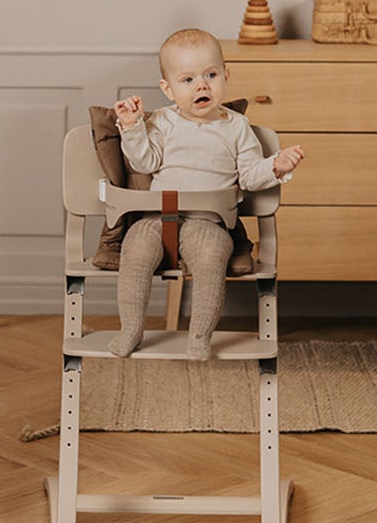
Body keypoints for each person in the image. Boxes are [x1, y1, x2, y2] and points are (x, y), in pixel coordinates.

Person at [111, 28, 304, 360]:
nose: (201, 85)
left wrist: (276, 165)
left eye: (211, 75)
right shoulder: (160, 121)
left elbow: (249, 174)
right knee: (136, 249)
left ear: (226, 75)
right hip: (157, 218)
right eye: (187, 80)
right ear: (167, 89)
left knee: (213, 256)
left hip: (208, 222)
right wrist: (132, 127)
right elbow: (145, 161)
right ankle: (131, 328)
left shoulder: (237, 127)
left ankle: (199, 337)